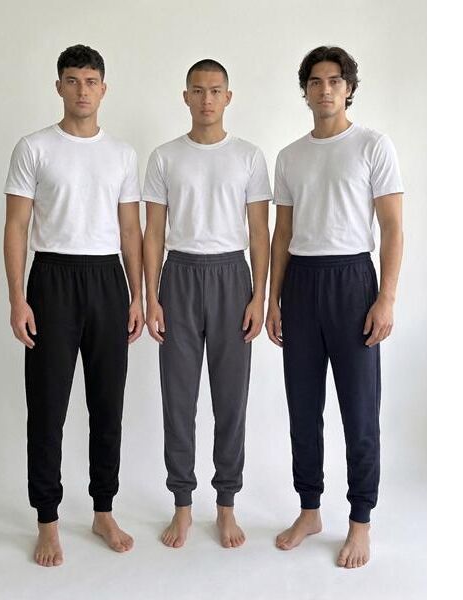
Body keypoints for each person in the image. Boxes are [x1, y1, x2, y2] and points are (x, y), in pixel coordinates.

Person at [2, 44, 144, 566]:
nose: (82, 90)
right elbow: (17, 225)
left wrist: (138, 294)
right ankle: (48, 520)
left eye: (90, 81)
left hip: (107, 279)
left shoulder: (122, 154)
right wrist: (17, 298)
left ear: (103, 89)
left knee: (108, 405)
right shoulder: (34, 147)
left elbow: (130, 230)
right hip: (52, 280)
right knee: (47, 408)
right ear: (58, 86)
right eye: (72, 80)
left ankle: (104, 510)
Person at [265, 46, 404, 568]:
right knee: (303, 408)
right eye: (315, 81)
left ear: (349, 88)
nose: (325, 89)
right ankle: (309, 510)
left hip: (353, 283)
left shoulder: (372, 145)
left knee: (360, 412)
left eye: (335, 80)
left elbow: (392, 227)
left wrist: (385, 297)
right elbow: (282, 234)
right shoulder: (290, 156)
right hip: (301, 284)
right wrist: (274, 299)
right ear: (305, 91)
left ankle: (360, 521)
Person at [143, 59, 271, 549]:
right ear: (186, 97)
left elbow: (259, 233)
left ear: (228, 97)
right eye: (197, 90)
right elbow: (153, 233)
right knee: (178, 399)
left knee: (230, 400)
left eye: (215, 90)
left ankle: (225, 505)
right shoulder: (164, 157)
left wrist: (259, 296)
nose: (206, 99)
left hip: (231, 277)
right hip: (179, 275)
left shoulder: (249, 157)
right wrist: (151, 295)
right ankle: (182, 505)